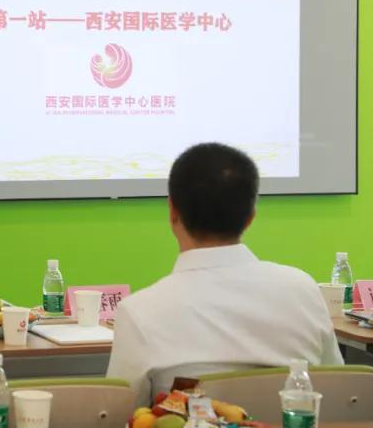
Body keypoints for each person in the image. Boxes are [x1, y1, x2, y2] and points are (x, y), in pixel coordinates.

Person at [106, 142, 342, 405]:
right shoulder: (303, 289)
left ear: (172, 211)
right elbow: (339, 388)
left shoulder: (139, 311)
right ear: (251, 216)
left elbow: (120, 412)